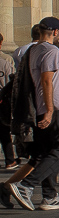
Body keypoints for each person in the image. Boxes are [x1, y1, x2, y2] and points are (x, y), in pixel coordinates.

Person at [6, 18, 59, 210]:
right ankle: (26, 185)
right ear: (56, 32)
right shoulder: (51, 51)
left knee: (46, 152)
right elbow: (46, 80)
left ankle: (49, 196)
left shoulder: (33, 50)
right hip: (55, 108)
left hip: (37, 108)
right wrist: (50, 110)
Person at [0, 32, 14, 170]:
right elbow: (11, 83)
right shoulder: (5, 63)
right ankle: (9, 160)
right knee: (4, 131)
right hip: (2, 101)